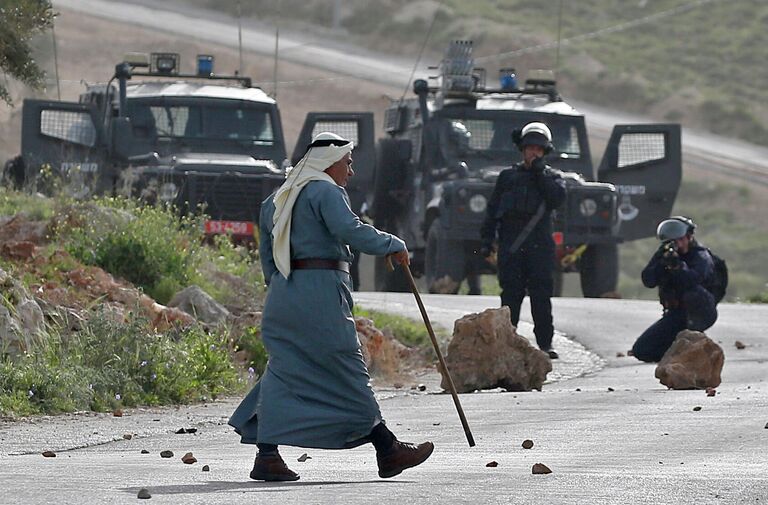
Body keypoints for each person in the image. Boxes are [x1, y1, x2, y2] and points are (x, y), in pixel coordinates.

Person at [229, 132, 434, 481]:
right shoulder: (324, 189)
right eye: (348, 162)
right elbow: (348, 229)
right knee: (347, 365)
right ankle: (387, 448)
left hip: (282, 296)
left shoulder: (276, 199)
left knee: (284, 370)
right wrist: (392, 243)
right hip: (320, 294)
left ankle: (267, 457)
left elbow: (267, 257)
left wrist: (283, 289)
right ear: (329, 163)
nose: (350, 171)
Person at [479, 122, 566, 359]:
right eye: (530, 148)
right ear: (522, 149)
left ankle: (545, 345)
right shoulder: (508, 177)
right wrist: (487, 241)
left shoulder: (553, 179)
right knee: (510, 296)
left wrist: (539, 173)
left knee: (541, 297)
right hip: (512, 246)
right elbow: (493, 210)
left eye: (539, 149)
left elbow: (557, 199)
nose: (534, 153)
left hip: (540, 247)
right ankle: (506, 341)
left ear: (545, 152)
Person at [631, 216, 718, 362]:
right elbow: (649, 280)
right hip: (675, 314)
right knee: (642, 350)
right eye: (672, 241)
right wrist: (662, 262)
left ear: (689, 237)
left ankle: (695, 340)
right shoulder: (665, 255)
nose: (677, 244)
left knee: (693, 295)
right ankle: (679, 352)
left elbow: (693, 281)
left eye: (680, 239)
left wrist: (678, 266)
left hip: (698, 312)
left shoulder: (700, 256)